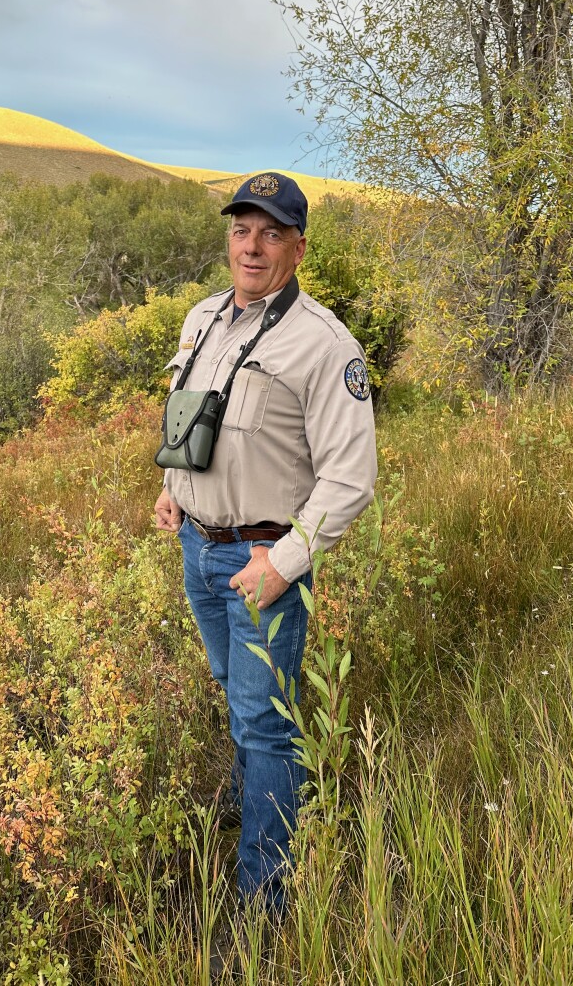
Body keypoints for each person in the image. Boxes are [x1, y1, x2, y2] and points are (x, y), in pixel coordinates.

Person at [154, 171, 377, 911]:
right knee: (235, 692)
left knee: (265, 721)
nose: (253, 245)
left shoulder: (324, 343)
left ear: (297, 247)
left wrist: (283, 565)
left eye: (272, 231)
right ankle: (260, 799)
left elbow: (350, 479)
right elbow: (197, 414)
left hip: (259, 562)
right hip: (198, 546)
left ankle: (266, 898)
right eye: (242, 228)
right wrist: (174, 487)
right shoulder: (203, 316)